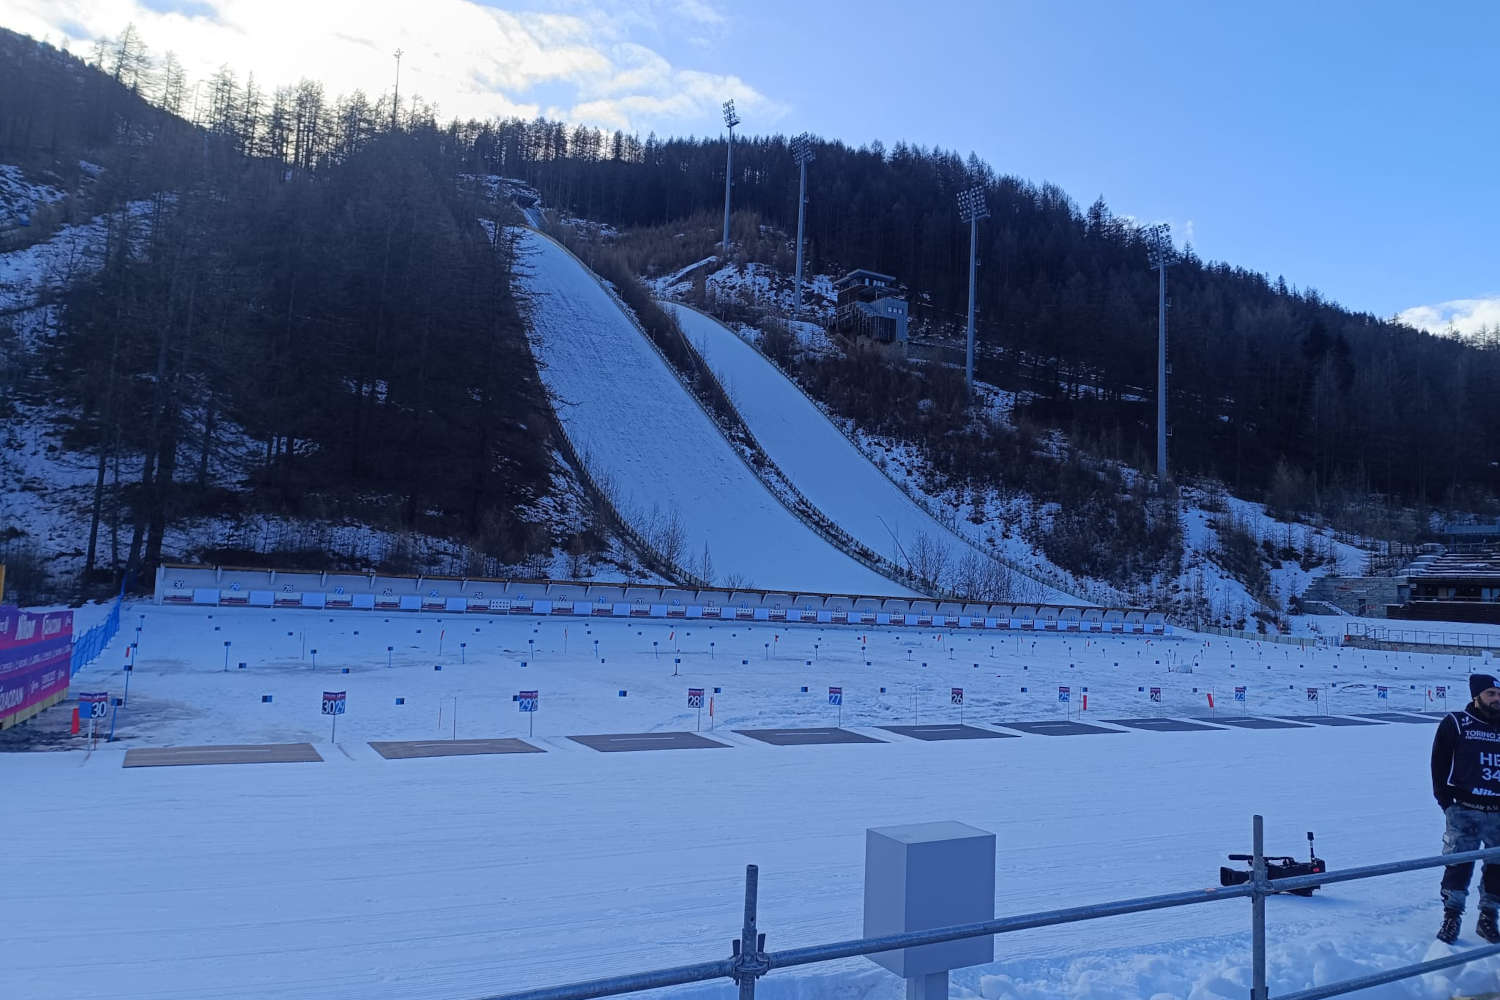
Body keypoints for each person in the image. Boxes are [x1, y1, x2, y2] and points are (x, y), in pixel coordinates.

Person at [1432, 672, 1500, 944]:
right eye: (1491, 694)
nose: (1497, 699)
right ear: (1477, 696)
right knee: (1458, 864)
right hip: (1465, 809)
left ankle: (1488, 916)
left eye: (1499, 694)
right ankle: (1451, 916)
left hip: (1498, 811)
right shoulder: (1457, 723)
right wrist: (1447, 803)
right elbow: (1438, 765)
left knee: (1497, 867)